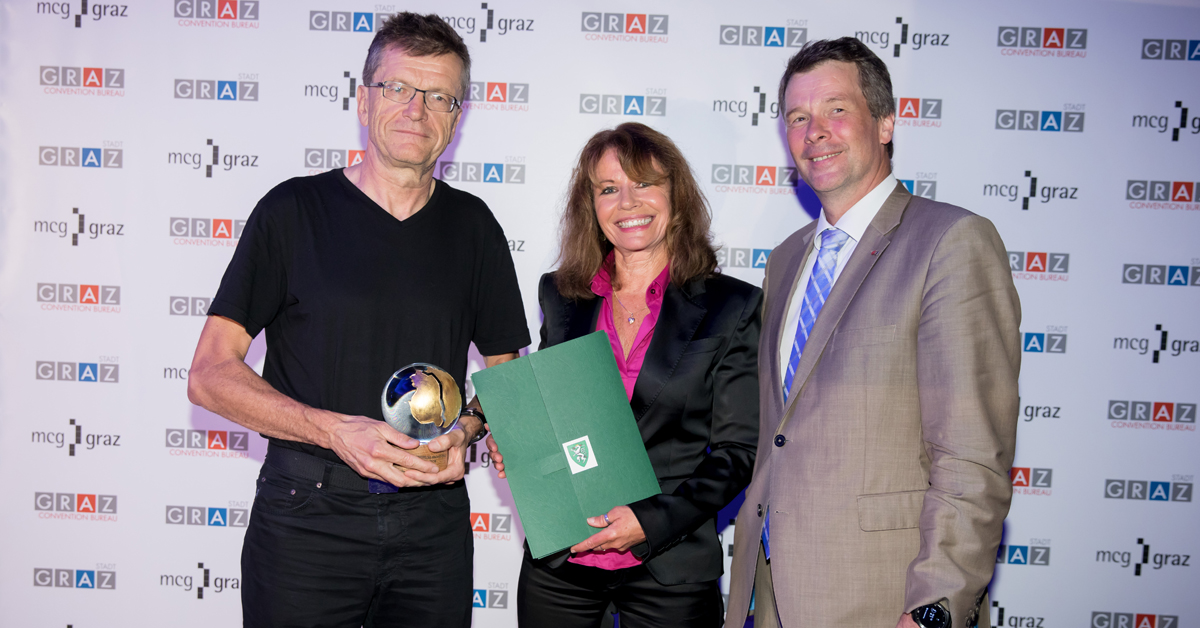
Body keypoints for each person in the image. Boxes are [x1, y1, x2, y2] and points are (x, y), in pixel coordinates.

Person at [186, 13, 530, 628]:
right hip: (307, 516)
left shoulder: (475, 228)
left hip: (434, 523)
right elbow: (209, 375)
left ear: (457, 116)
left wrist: (469, 431)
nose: (416, 110)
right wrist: (332, 430)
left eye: (439, 97)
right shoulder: (291, 212)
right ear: (363, 100)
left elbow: (509, 378)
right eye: (398, 89)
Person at [724, 38, 1021, 628]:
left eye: (836, 109)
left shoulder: (950, 242)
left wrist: (934, 607)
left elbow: (971, 456)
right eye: (798, 118)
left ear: (885, 122)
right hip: (773, 590)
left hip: (885, 597)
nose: (815, 132)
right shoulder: (786, 260)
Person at [486, 122, 761, 627]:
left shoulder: (733, 306)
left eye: (645, 183)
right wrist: (519, 446)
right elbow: (555, 417)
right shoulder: (562, 296)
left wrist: (648, 522)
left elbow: (737, 452)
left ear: (676, 196)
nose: (627, 202)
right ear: (591, 206)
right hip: (562, 560)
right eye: (609, 189)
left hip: (670, 566)